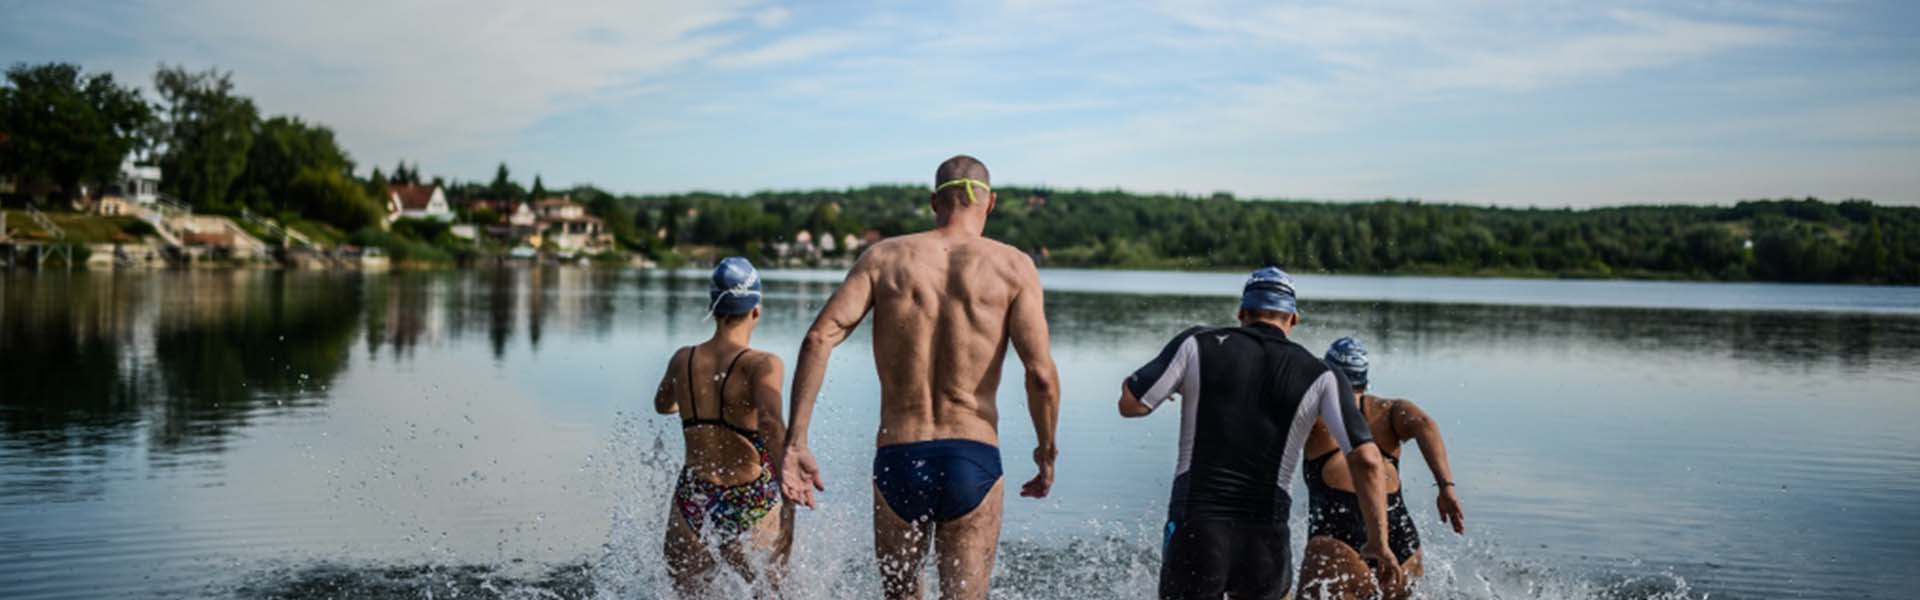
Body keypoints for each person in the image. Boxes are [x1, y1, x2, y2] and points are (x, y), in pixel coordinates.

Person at [780, 155, 1061, 600]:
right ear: (990, 203)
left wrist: (796, 442)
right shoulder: (1013, 266)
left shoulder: (884, 258)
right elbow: (1041, 375)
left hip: (899, 456)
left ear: (934, 202)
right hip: (972, 457)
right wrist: (1046, 451)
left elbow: (818, 338)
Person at [1117, 267, 1403, 600]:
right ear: (1293, 319)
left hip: (1197, 529)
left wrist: (1166, 386)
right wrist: (1378, 542)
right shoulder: (1322, 374)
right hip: (1266, 540)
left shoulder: (1197, 344)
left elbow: (1131, 405)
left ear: (1242, 313)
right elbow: (1367, 460)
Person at [652, 257, 793, 596]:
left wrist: (697, 402)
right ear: (756, 310)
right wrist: (789, 495)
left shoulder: (682, 359)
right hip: (751, 499)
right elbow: (771, 425)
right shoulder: (763, 365)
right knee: (767, 593)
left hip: (693, 497)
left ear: (713, 308)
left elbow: (662, 405)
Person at [1296, 337, 1465, 600]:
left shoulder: (1318, 414)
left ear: (1328, 376)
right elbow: (1425, 423)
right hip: (1400, 539)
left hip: (1338, 537)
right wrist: (1446, 487)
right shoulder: (1391, 410)